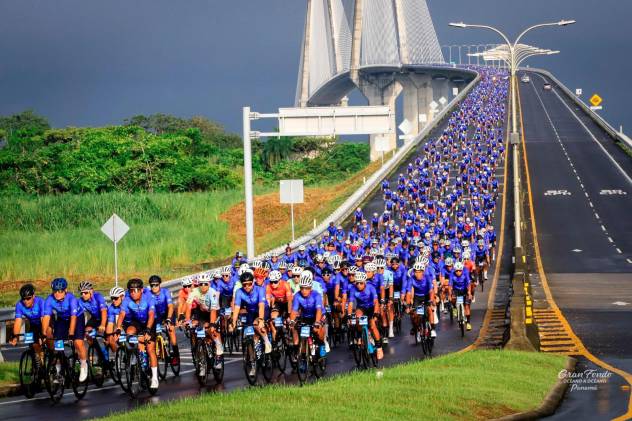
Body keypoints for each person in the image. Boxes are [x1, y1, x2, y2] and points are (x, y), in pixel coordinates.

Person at [42, 278, 88, 382]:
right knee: (58, 344)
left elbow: (73, 318)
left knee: (78, 342)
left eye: (60, 291)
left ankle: (84, 365)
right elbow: (46, 317)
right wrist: (44, 333)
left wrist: (71, 334)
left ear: (65, 290)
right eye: (55, 291)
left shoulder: (71, 299)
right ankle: (59, 372)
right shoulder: (49, 300)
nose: (57, 294)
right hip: (62, 319)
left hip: (77, 318)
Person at [116, 278, 159, 390]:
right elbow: (122, 314)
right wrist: (118, 328)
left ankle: (154, 378)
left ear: (141, 290)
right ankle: (134, 354)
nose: (133, 293)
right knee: (130, 332)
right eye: (131, 291)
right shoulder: (127, 299)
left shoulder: (149, 297)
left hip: (149, 322)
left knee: (150, 349)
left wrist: (148, 329)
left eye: (136, 290)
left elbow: (151, 314)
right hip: (137, 322)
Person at [230, 271, 272, 363]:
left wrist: (261, 320)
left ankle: (267, 341)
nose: (247, 287)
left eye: (249, 284)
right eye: (244, 285)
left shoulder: (260, 289)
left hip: (263, 310)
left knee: (256, 324)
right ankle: (253, 359)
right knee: (249, 333)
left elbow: (261, 306)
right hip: (251, 312)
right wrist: (233, 322)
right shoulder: (239, 292)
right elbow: (236, 308)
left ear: (253, 282)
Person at [184, 273, 223, 371]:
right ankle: (201, 353)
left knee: (211, 329)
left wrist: (212, 324)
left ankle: (219, 350)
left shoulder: (212, 292)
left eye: (205, 284)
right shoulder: (194, 291)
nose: (203, 286)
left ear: (209, 284)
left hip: (213, 312)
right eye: (201, 284)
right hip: (202, 312)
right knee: (196, 328)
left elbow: (213, 311)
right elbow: (188, 306)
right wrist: (187, 320)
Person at [346, 272, 383, 360]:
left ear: (365, 282)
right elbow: (350, 304)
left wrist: (376, 313)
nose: (358, 285)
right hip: (361, 307)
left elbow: (376, 302)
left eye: (361, 283)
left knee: (373, 326)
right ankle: (360, 335)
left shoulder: (371, 287)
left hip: (371, 307)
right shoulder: (353, 289)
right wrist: (349, 315)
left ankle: (379, 348)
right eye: (357, 283)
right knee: (357, 317)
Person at [288, 271, 326, 353]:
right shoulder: (297, 296)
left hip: (318, 315)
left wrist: (317, 322)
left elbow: (319, 310)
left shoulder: (316, 295)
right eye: (302, 288)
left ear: (311, 288)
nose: (304, 290)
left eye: (307, 288)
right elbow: (294, 310)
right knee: (301, 332)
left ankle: (322, 344)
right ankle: (304, 355)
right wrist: (291, 321)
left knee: (317, 330)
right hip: (306, 316)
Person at [146, 275, 179, 366]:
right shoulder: (148, 294)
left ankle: (175, 355)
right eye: (152, 285)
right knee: (153, 333)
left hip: (167, 313)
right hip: (156, 316)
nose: (154, 287)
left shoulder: (165, 292)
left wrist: (168, 318)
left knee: (171, 329)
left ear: (159, 285)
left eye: (156, 285)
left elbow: (170, 306)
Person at [11, 284, 45, 368]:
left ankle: (53, 358)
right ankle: (39, 361)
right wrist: (15, 336)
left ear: (33, 296)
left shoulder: (41, 302)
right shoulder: (19, 305)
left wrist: (43, 335)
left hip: (45, 322)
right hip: (33, 325)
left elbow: (43, 319)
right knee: (31, 342)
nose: (26, 301)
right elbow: (18, 321)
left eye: (28, 298)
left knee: (47, 339)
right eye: (23, 299)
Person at [449, 262, 473, 331]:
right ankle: (454, 308)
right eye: (457, 271)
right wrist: (450, 295)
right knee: (453, 299)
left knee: (467, 306)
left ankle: (468, 323)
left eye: (460, 270)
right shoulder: (452, 274)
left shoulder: (465, 274)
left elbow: (468, 284)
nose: (458, 272)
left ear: (462, 270)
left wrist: (469, 293)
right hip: (456, 290)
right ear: (455, 270)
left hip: (464, 290)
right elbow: (450, 286)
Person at [105, 286, 126, 355]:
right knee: (110, 340)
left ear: (122, 297)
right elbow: (110, 323)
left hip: (131, 325)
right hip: (119, 326)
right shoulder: (111, 308)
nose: (113, 300)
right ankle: (118, 355)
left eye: (116, 298)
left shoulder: (128, 304)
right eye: (112, 298)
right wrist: (109, 336)